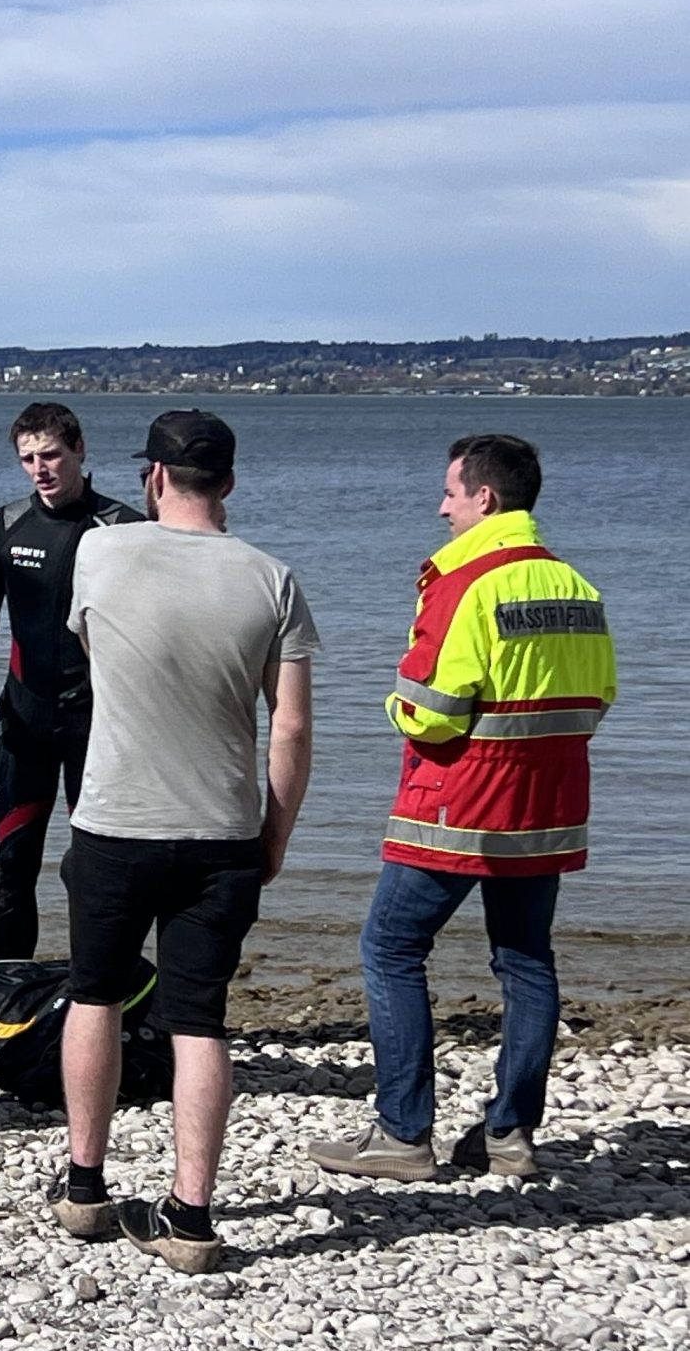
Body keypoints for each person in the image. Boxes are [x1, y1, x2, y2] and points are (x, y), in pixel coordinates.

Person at [49, 410, 319, 1273]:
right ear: (229, 482)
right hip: (222, 830)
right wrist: (276, 833)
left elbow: (88, 644)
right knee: (200, 1019)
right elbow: (291, 730)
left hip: (116, 820)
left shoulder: (99, 551)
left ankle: (85, 1186)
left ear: (154, 477)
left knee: (95, 996)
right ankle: (191, 1214)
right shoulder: (273, 579)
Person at [309, 434, 617, 1185]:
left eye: (450, 492)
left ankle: (402, 1131)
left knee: (390, 946)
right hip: (548, 805)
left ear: (485, 498)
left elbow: (434, 711)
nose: (441, 507)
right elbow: (600, 695)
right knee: (526, 958)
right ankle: (510, 1133)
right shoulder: (576, 585)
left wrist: (393, 706)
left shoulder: (465, 581)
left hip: (460, 800)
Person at [0, 402, 141, 959]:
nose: (40, 469)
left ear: (80, 449)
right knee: (14, 863)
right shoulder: (2, 526)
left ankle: (97, 988)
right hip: (25, 721)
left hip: (97, 726)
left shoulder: (127, 529)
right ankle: (9, 984)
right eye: (28, 459)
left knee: (93, 869)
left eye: (51, 455)